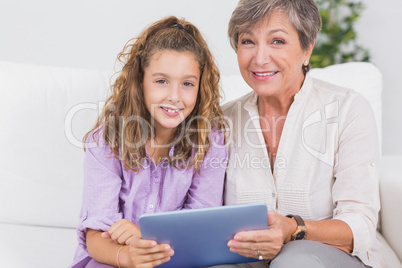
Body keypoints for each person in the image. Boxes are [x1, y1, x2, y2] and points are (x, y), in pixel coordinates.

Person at [215, 0, 382, 267]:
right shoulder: (220, 121)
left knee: (293, 261)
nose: (259, 58)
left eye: (277, 41)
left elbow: (359, 225)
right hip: (246, 260)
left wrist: (293, 229)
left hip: (325, 258)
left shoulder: (348, 109)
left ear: (308, 48)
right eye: (248, 41)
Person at [71, 16, 228, 268]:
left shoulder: (210, 141)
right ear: (140, 82)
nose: (174, 96)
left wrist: (146, 237)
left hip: (178, 259)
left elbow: (202, 228)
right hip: (113, 259)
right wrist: (127, 256)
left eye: (187, 83)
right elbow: (96, 237)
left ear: (200, 88)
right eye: (161, 81)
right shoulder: (106, 141)